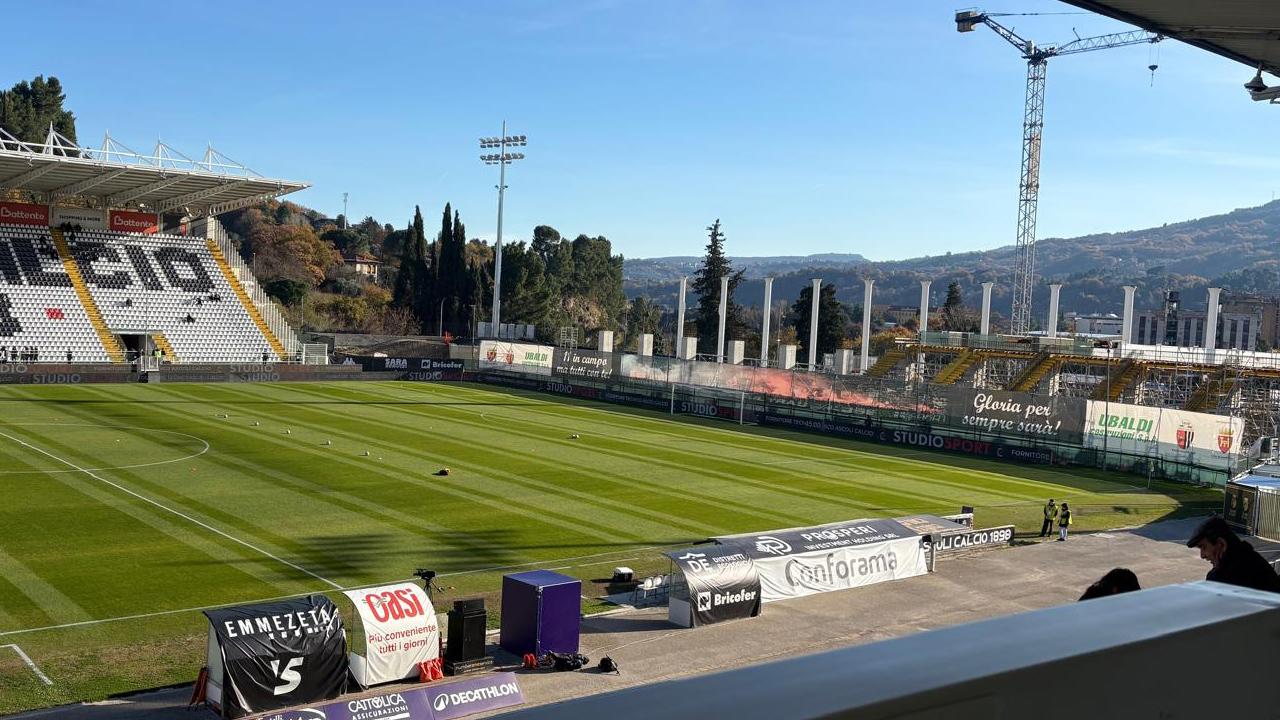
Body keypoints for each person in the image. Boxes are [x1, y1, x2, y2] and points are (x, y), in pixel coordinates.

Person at [1186, 516, 1280, 593]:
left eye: (1203, 547)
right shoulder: (1252, 559)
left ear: (1221, 544)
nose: (1202, 555)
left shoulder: (1222, 579)